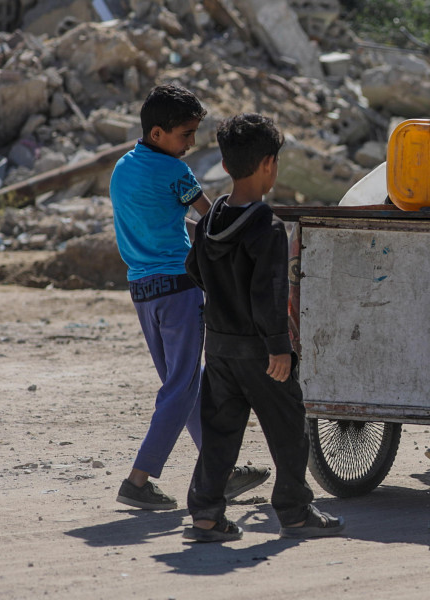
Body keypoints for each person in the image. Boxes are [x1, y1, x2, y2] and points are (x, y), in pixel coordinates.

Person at [182, 113, 345, 542]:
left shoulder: (211, 219)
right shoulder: (266, 226)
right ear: (269, 164)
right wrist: (278, 347)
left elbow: (193, 268)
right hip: (259, 351)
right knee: (289, 426)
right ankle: (293, 512)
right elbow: (270, 294)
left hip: (217, 348)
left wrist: (223, 301)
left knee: (219, 433)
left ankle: (205, 516)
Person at [110, 83, 269, 511]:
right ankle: (139, 480)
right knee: (182, 386)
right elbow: (208, 215)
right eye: (185, 135)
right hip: (179, 288)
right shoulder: (174, 173)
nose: (191, 143)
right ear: (158, 133)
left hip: (143, 291)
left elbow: (162, 225)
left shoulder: (122, 168)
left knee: (185, 384)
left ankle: (222, 470)